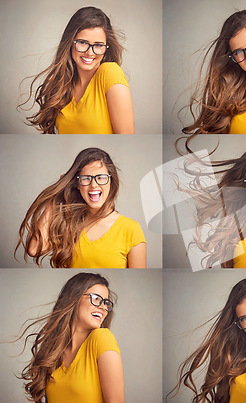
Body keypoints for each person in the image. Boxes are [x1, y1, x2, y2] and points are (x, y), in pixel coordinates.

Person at [17, 147, 146, 268]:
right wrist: (57, 195)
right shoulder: (69, 223)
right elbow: (34, 250)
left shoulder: (131, 229)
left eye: (101, 178)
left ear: (111, 182)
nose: (94, 185)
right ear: (77, 184)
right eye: (86, 178)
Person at [19, 6, 134, 134]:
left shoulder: (111, 73)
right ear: (70, 43)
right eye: (82, 42)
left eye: (98, 45)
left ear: (107, 47)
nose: (90, 52)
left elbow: (127, 134)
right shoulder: (62, 86)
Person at [16, 272, 124, 403]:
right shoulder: (54, 354)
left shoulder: (102, 338)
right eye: (96, 298)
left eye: (106, 302)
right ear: (74, 298)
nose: (102, 307)